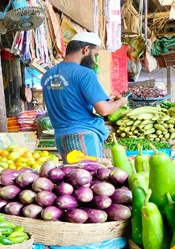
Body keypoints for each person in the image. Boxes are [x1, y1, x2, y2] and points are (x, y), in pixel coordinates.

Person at [41, 31, 128, 162]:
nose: (95, 60)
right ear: (86, 49)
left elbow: (69, 98)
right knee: (91, 179)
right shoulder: (85, 73)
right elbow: (104, 110)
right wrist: (121, 102)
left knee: (74, 179)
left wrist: (109, 100)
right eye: (96, 55)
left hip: (60, 138)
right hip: (83, 136)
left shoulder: (48, 75)